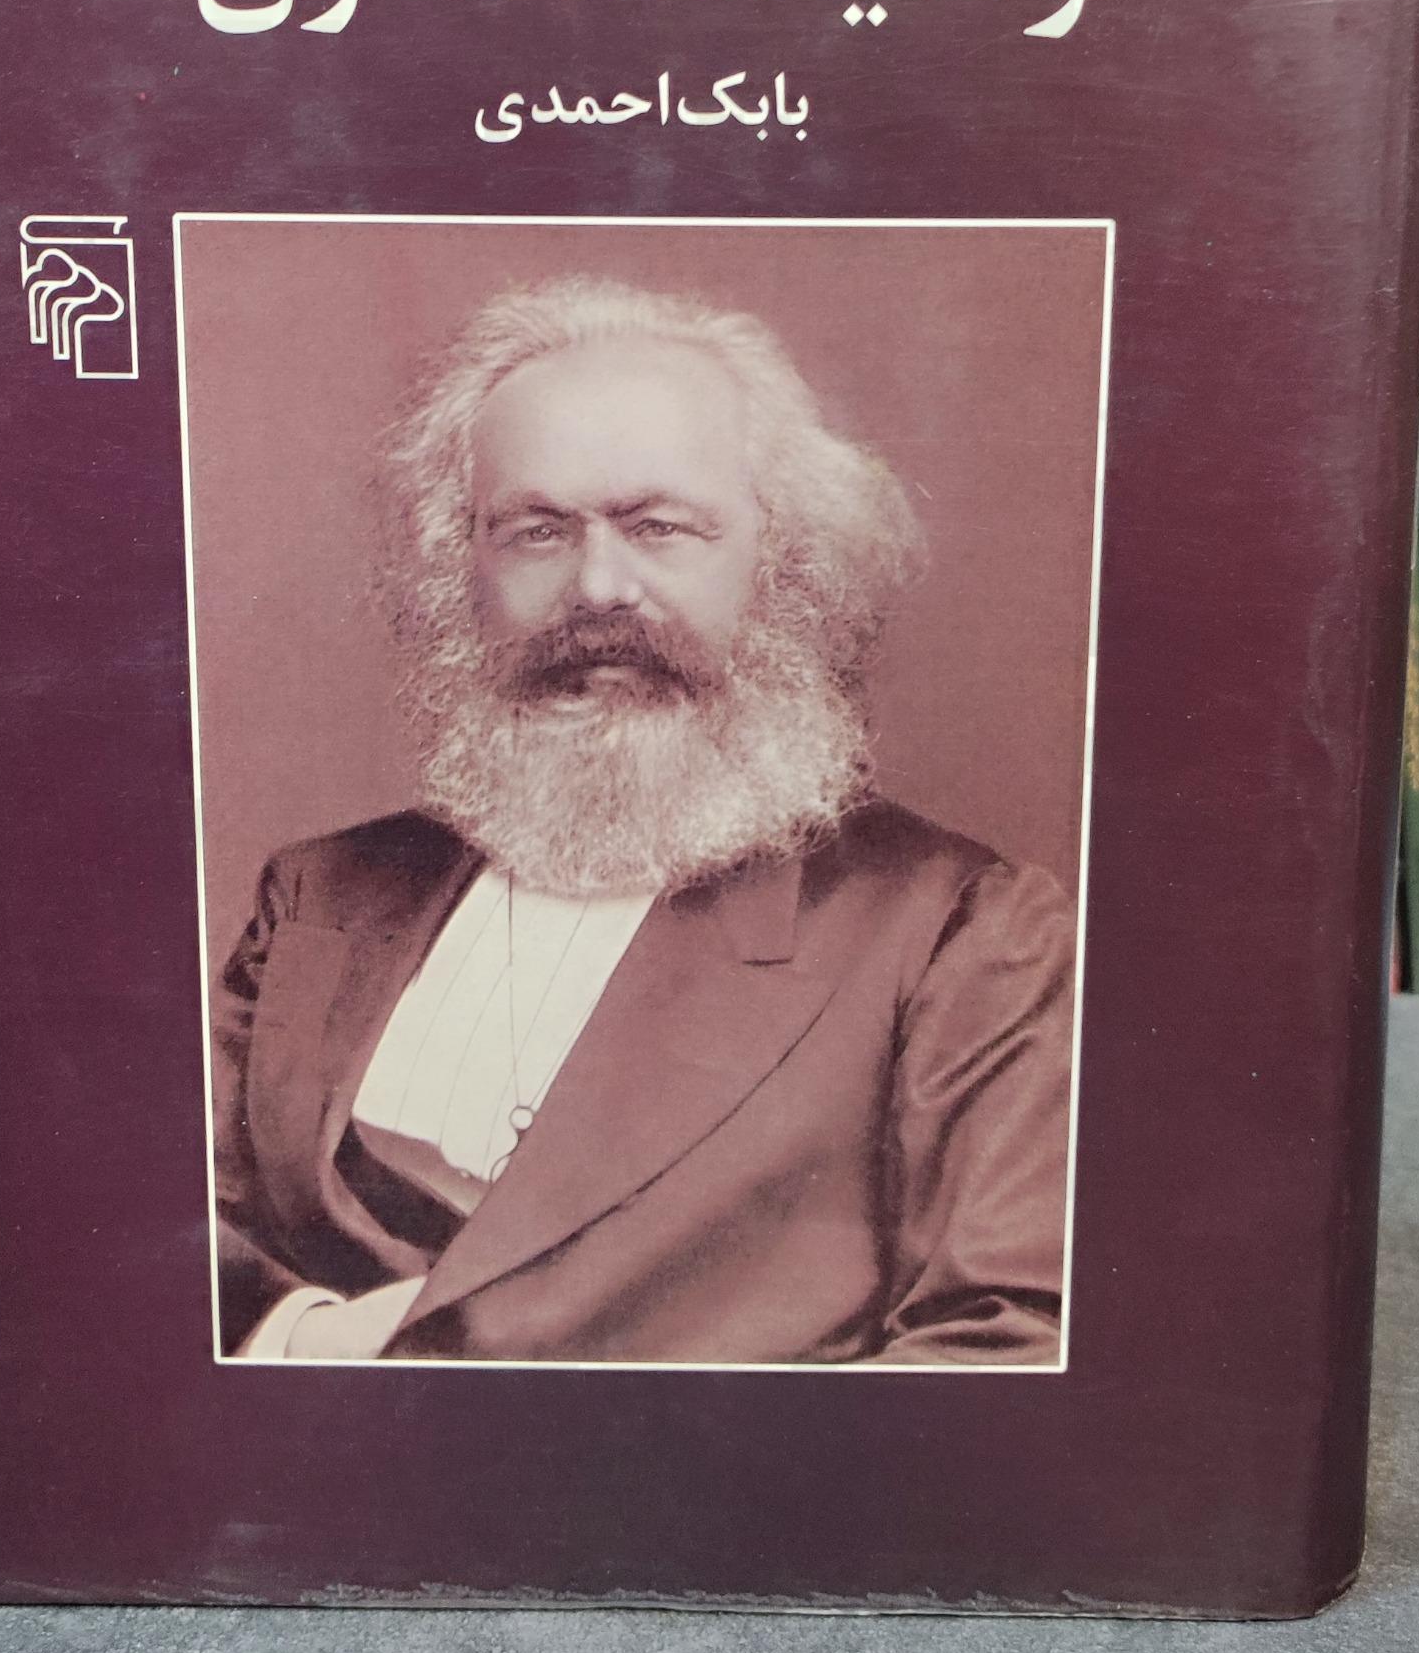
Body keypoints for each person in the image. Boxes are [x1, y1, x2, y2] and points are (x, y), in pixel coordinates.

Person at [210, 275, 1077, 1367]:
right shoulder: (319, 893)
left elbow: (1003, 1347)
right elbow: (169, 1240)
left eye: (658, 527)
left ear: (781, 558)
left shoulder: (958, 929)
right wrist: (301, 1340)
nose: (597, 588)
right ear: (461, 566)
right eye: (536, 530)